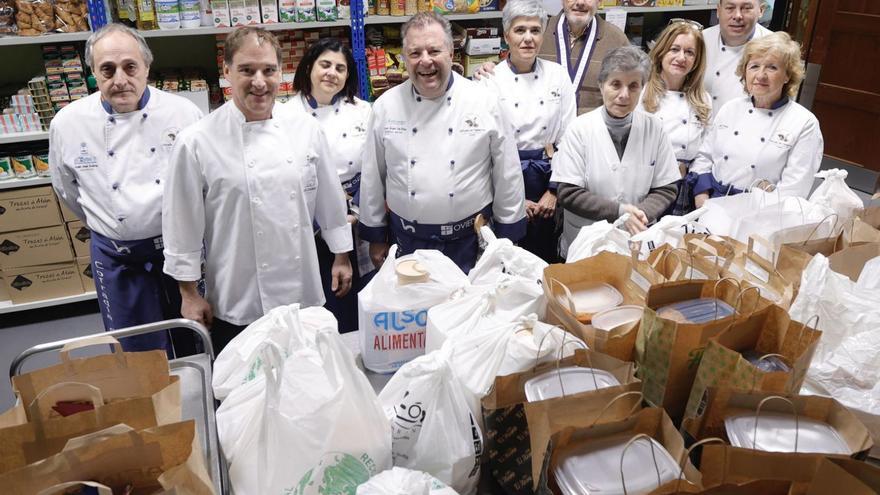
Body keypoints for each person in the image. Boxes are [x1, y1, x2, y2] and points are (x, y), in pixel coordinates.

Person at [162, 27, 353, 353]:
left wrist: (341, 256)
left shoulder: (304, 128)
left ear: (282, 72)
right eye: (247, 70)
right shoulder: (197, 140)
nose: (259, 82)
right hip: (238, 290)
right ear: (227, 72)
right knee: (241, 391)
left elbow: (330, 200)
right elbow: (182, 225)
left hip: (300, 287)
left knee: (303, 384)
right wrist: (189, 292)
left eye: (268, 70)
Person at [49, 23, 203, 354]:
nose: (120, 79)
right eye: (107, 69)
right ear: (93, 73)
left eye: (130, 67)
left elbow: (201, 183)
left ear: (147, 67)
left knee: (195, 336)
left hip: (181, 249)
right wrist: (106, 220)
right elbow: (66, 189)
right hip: (118, 256)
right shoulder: (68, 123)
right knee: (136, 352)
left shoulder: (183, 113)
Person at [358, 12, 526, 274]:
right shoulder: (385, 107)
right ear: (404, 58)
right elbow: (372, 177)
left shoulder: (484, 102)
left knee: (469, 310)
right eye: (415, 53)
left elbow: (508, 173)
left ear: (451, 53)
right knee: (413, 311)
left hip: (470, 240)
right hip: (407, 241)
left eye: (434, 50)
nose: (425, 60)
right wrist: (376, 236)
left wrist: (508, 234)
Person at [551, 46, 680, 257]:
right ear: (601, 85)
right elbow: (568, 192)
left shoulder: (654, 128)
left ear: (642, 88)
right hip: (586, 244)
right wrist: (619, 212)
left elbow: (666, 188)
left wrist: (639, 215)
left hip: (636, 240)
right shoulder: (579, 128)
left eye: (633, 86)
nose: (624, 95)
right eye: (616, 84)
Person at [480, 0, 576, 262]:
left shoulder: (558, 76)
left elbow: (569, 139)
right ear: (506, 35)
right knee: (510, 261)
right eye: (520, 30)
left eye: (535, 30)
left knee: (546, 260)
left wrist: (554, 192)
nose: (528, 38)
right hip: (506, 180)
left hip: (548, 176)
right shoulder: (489, 81)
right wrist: (514, 200)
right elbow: (483, 151)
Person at [287, 38, 372, 332]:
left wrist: (356, 212)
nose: (331, 73)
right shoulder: (285, 115)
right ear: (309, 66)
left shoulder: (363, 112)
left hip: (357, 220)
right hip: (308, 221)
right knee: (320, 303)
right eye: (325, 65)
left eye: (340, 68)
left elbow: (375, 169)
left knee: (358, 297)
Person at [691, 32, 823, 205]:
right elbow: (705, 157)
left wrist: (750, 213)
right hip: (711, 202)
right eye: (754, 66)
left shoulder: (804, 123)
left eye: (772, 67)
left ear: (787, 76)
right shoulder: (730, 108)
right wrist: (702, 196)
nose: (760, 75)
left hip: (759, 211)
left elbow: (794, 190)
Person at [475, 0, 628, 114]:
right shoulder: (538, 29)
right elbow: (514, 68)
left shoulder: (617, 39)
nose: (580, 2)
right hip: (544, 139)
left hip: (594, 138)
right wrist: (491, 67)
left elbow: (630, 89)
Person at [638, 19, 712, 216]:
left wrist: (699, 188)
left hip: (684, 187)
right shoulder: (641, 92)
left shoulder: (703, 99)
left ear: (696, 61)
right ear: (661, 52)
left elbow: (706, 151)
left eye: (689, 52)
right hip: (647, 186)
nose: (681, 57)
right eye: (675, 49)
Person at [703, 0, 771, 114]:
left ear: (761, 10)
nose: (737, 16)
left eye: (746, 8)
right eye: (730, 8)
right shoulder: (700, 41)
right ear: (718, 10)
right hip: (701, 126)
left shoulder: (775, 48)